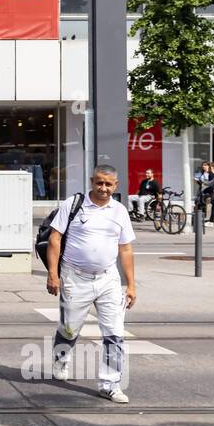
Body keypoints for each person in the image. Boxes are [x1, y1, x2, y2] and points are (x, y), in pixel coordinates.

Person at [45, 164, 137, 404]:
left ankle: (110, 384)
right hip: (74, 277)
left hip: (108, 279)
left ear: (115, 185)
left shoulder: (119, 211)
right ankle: (60, 357)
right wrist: (52, 274)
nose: (103, 188)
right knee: (69, 329)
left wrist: (131, 285)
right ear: (91, 181)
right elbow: (54, 239)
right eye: (99, 182)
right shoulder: (73, 205)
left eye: (108, 184)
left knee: (114, 334)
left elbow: (126, 249)